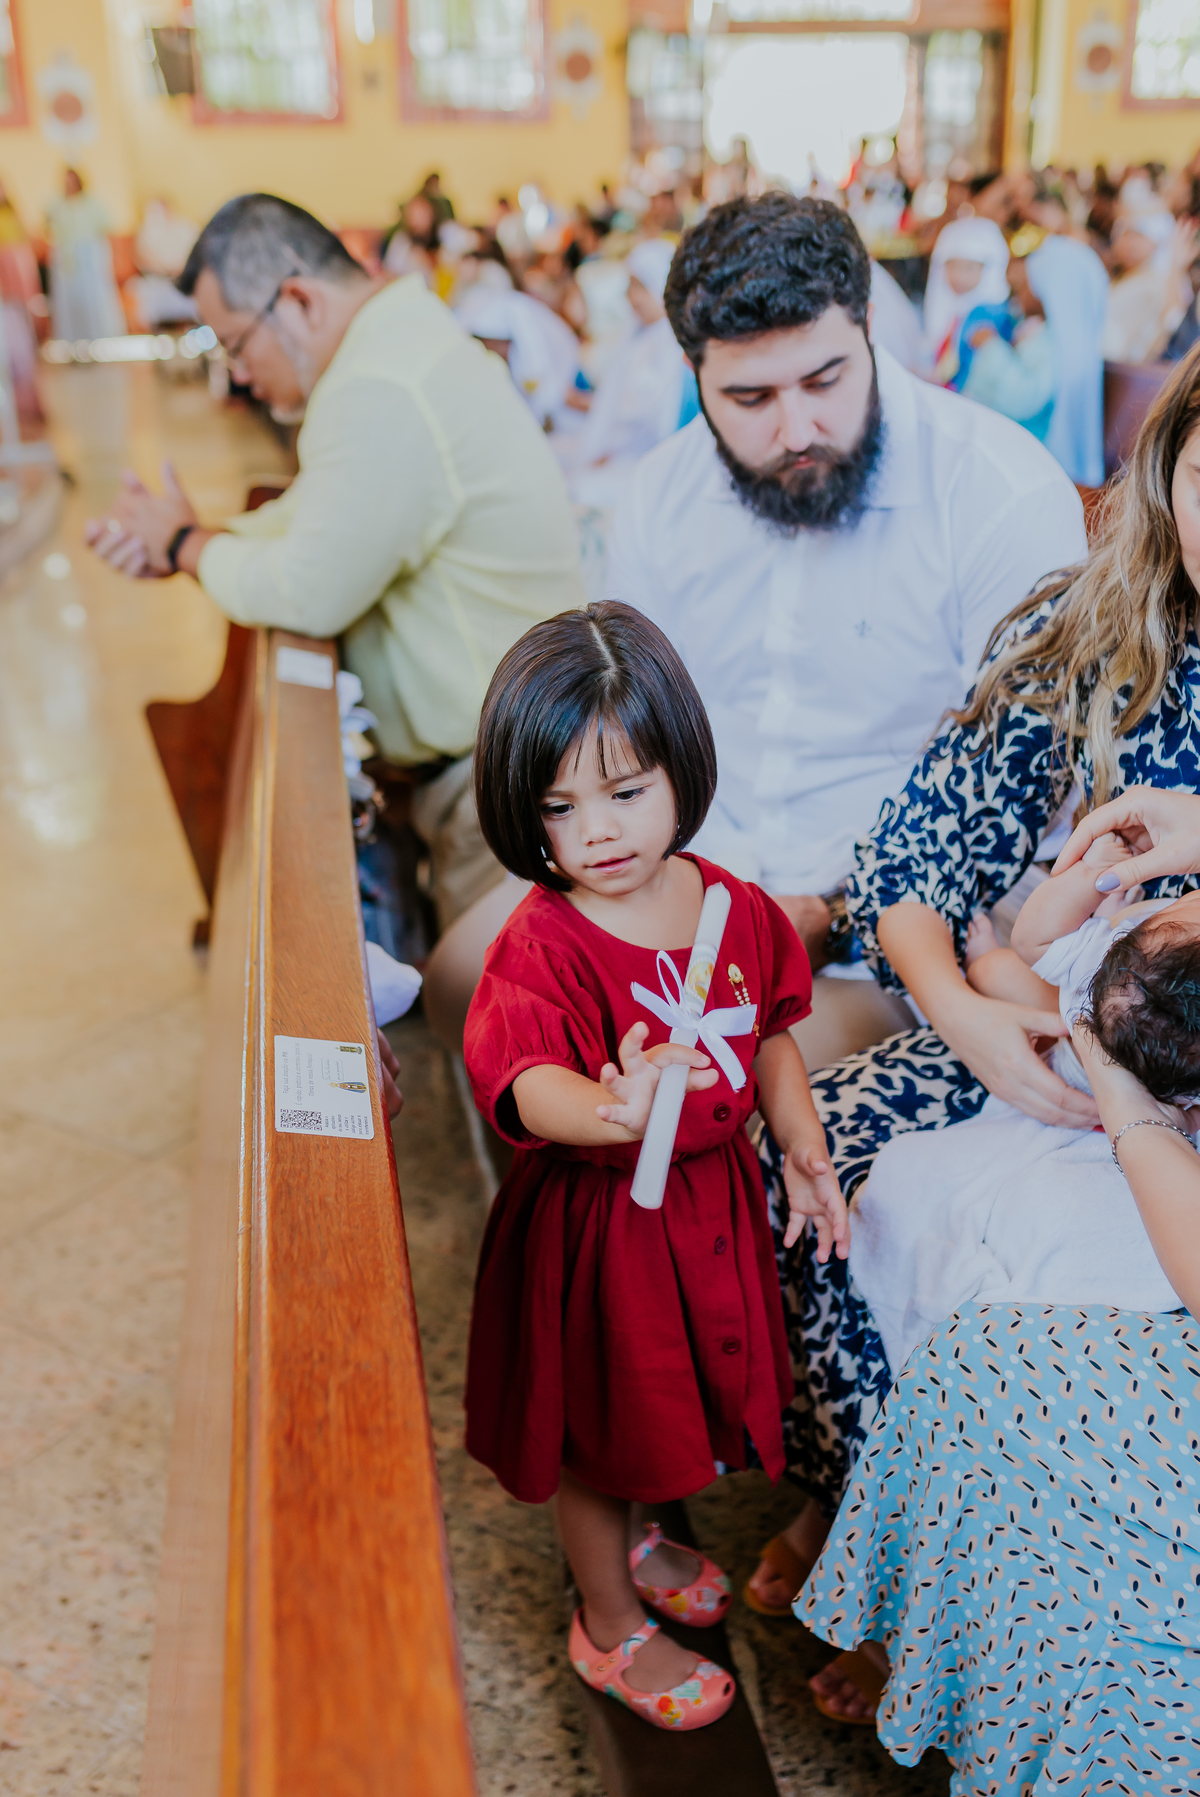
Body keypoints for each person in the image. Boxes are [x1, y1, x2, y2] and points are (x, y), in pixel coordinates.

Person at [747, 342, 1200, 1649]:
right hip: (1075, 1015)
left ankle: (1003, 1603)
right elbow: (915, 853)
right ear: (1167, 475)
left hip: (1174, 1055)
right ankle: (854, 1503)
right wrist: (964, 1005)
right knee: (815, 1149)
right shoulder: (1110, 632)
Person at [462, 601, 847, 1729]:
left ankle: (641, 1536)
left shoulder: (733, 908)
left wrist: (803, 1143)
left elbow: (769, 1034)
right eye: (559, 807)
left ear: (681, 767)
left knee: (660, 1403)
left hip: (704, 1209)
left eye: (626, 791)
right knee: (598, 1430)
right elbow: (525, 1076)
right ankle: (606, 1618)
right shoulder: (543, 941)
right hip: (603, 1233)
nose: (597, 831)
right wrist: (609, 1106)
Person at [796, 784, 1200, 1782]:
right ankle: (894, 1608)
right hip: (1065, 1125)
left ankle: (919, 1640)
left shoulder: (1154, 1012)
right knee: (924, 1232)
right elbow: (1030, 952)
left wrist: (1114, 1077)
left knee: (994, 1295)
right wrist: (1079, 883)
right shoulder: (1134, 940)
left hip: (1126, 1184)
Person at [83, 193, 585, 928]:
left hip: (503, 770)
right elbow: (313, 518)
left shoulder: (378, 385)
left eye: (236, 344)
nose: (238, 373)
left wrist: (185, 545)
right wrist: (187, 538)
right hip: (501, 747)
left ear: (299, 301)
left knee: (493, 990)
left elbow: (306, 589)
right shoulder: (395, 341)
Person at [850, 825, 1190, 1372]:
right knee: (1007, 973)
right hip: (1079, 1045)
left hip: (1080, 1051)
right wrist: (1099, 894)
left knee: (1000, 968)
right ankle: (989, 965)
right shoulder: (1134, 962)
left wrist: (1090, 885)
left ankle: (985, 961)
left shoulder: (1121, 961)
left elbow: (1035, 938)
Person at [556, 238, 687, 508]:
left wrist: (610, 452)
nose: (632, 298)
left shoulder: (676, 346)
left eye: (640, 287)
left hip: (645, 461)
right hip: (617, 451)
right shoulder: (638, 337)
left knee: (578, 490)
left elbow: (655, 423)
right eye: (630, 288)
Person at [924, 214, 1012, 378]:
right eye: (952, 267)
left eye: (968, 268)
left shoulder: (990, 316)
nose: (958, 277)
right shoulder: (950, 307)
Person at [1102, 209, 1195, 362]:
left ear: (1157, 242)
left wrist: (1175, 267)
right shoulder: (1119, 276)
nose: (1131, 243)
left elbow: (1175, 323)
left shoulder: (1164, 280)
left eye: (1139, 236)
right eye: (1127, 234)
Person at [45, 168, 125, 342]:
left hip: (89, 257)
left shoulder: (92, 203)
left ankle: (99, 336)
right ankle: (72, 339)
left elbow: (105, 230)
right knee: (69, 300)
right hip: (65, 259)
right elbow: (49, 227)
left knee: (93, 298)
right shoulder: (57, 205)